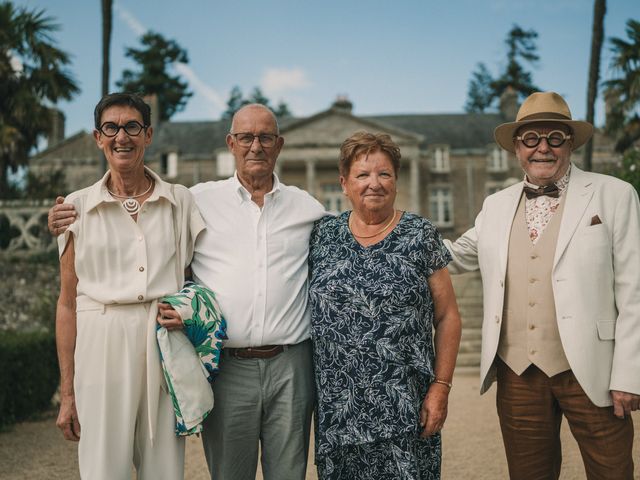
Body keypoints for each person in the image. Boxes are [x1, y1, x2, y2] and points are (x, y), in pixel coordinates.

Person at [49, 103, 326, 480]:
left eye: (265, 138)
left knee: (179, 469)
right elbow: (71, 298)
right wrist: (67, 394)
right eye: (246, 137)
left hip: (252, 359)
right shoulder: (189, 199)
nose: (255, 146)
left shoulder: (304, 208)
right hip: (201, 361)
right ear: (231, 143)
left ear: (279, 145)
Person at [445, 91, 639, 479]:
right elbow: (454, 255)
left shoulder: (614, 195)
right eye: (531, 139)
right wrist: (386, 235)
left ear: (571, 143)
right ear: (517, 148)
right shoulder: (496, 205)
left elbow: (634, 289)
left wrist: (629, 374)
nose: (543, 149)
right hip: (518, 372)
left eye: (554, 138)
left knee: (612, 472)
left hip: (594, 370)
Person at [54, 93, 205, 479]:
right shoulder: (75, 207)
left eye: (132, 127)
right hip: (101, 342)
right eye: (112, 128)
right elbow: (67, 303)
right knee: (104, 468)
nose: (122, 136)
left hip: (163, 343)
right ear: (97, 137)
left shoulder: (180, 201)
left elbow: (203, 275)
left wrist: (189, 313)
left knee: (164, 469)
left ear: (149, 134)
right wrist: (67, 394)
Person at [308, 131, 462, 479]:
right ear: (344, 183)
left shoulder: (419, 234)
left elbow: (448, 315)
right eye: (362, 175)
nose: (373, 183)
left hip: (405, 407)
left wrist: (441, 387)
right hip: (339, 412)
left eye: (384, 174)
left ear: (395, 180)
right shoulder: (322, 236)